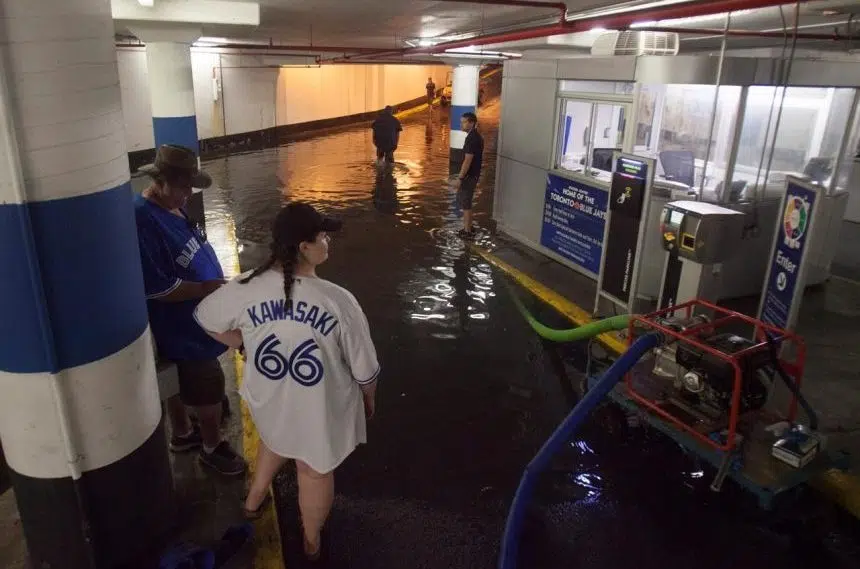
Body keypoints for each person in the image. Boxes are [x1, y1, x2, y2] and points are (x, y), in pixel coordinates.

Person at [194, 202, 380, 561]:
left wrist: (241, 342)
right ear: (305, 247)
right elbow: (365, 371)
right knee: (312, 470)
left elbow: (204, 317)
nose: (328, 241)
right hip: (317, 405)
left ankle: (252, 502)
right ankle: (311, 540)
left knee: (276, 435)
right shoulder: (337, 301)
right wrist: (369, 399)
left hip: (270, 397)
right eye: (323, 235)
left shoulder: (245, 287)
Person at [134, 144, 247, 476]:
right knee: (208, 382)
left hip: (197, 316)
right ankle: (212, 449)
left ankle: (183, 434)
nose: (187, 194)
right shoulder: (143, 219)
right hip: (183, 326)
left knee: (182, 381)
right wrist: (206, 288)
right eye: (182, 187)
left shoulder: (171, 207)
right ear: (161, 181)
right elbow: (157, 286)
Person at [452, 111, 484, 239]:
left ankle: (467, 231)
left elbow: (468, 159)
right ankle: (469, 227)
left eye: (464, 122)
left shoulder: (472, 138)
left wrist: (460, 178)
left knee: (466, 203)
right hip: (473, 175)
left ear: (472, 123)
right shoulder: (476, 136)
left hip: (469, 176)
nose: (461, 125)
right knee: (464, 200)